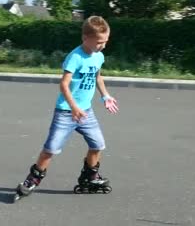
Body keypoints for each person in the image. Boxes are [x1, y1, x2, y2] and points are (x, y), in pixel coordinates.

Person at [14, 16, 119, 199]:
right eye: (100, 42)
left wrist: (105, 96)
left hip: (86, 112)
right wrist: (73, 107)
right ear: (86, 38)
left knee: (97, 145)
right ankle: (33, 179)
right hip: (66, 111)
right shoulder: (75, 57)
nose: (103, 46)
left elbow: (97, 77)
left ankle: (90, 176)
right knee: (51, 149)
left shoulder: (99, 56)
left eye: (106, 41)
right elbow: (63, 85)